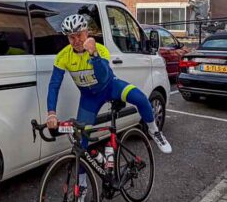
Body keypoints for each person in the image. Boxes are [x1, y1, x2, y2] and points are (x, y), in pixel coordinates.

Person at [45, 13, 172, 154]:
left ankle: (154, 131)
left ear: (87, 33)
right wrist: (51, 113)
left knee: (140, 98)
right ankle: (81, 176)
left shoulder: (100, 49)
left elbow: (103, 77)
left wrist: (94, 55)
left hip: (111, 87)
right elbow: (54, 85)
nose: (76, 40)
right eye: (71, 37)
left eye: (79, 35)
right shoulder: (63, 56)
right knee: (81, 143)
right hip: (90, 98)